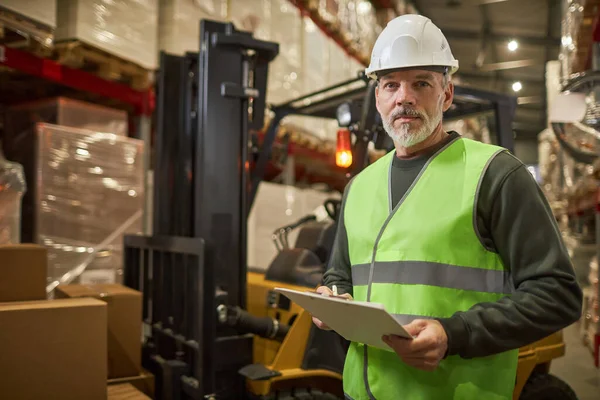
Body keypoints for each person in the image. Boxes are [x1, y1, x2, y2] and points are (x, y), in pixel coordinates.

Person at [312, 14, 583, 400]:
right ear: (378, 98)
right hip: (363, 392)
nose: (403, 97)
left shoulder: (495, 175)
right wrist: (332, 297)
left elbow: (559, 294)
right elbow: (340, 274)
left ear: (447, 94)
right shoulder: (359, 187)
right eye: (391, 85)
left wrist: (454, 333)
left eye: (420, 83)